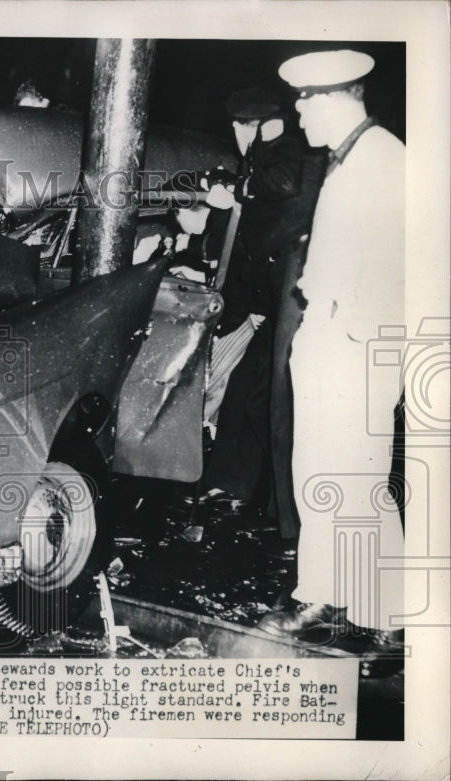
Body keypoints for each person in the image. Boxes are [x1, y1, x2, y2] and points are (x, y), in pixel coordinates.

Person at [258, 50, 405, 649]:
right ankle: (334, 594)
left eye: (305, 101)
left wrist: (351, 333)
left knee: (350, 473)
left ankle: (378, 613)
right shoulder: (351, 159)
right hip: (331, 335)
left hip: (355, 343)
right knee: (326, 471)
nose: (298, 113)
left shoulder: (383, 158)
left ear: (337, 97)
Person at [198, 87, 324, 536]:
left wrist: (238, 189)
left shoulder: (283, 146)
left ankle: (289, 521)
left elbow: (285, 184)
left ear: (250, 125)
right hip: (275, 284)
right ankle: (238, 486)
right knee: (250, 390)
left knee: (277, 396)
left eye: (239, 127)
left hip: (293, 277)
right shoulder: (267, 153)